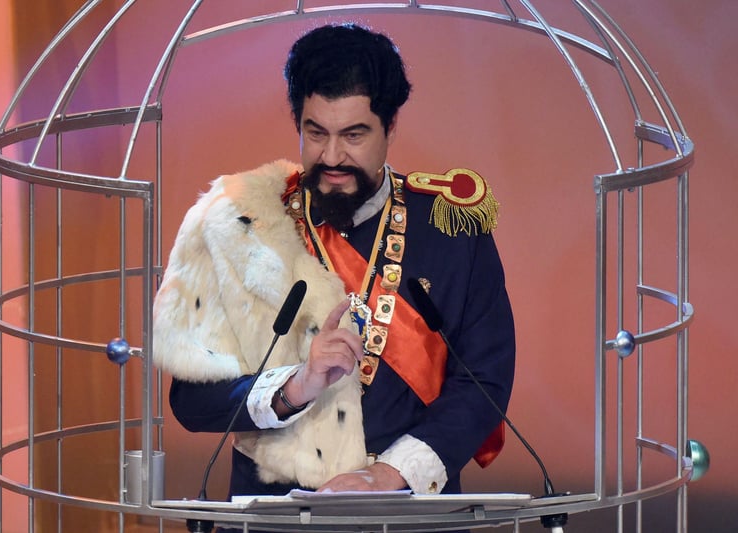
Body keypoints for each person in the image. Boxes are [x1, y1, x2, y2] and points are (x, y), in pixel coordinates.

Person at [152, 22, 515, 530]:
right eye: (316, 133)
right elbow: (192, 403)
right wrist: (294, 387)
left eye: (354, 135)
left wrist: (392, 473)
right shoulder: (239, 225)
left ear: (391, 126)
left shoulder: (450, 228)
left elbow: (484, 383)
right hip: (276, 518)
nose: (331, 157)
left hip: (412, 515)